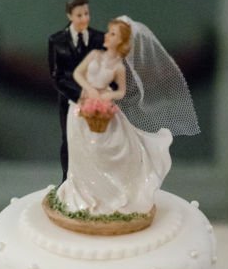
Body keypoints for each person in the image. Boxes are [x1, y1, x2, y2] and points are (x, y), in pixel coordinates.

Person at [55, 17, 200, 218]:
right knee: (82, 149)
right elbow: (78, 75)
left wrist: (106, 95)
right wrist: (89, 90)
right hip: (81, 105)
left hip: (103, 105)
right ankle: (83, 193)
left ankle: (110, 192)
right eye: (109, 32)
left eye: (112, 34)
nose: (106, 35)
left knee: (113, 147)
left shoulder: (118, 67)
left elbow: (121, 92)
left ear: (121, 41)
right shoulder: (95, 55)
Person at [48, 0, 105, 181]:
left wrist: (103, 94)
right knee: (70, 140)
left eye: (86, 13)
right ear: (69, 16)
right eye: (79, 15)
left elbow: (107, 69)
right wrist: (79, 94)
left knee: (97, 141)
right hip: (70, 100)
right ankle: (68, 180)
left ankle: (96, 180)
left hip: (98, 101)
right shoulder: (56, 41)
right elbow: (57, 76)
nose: (84, 18)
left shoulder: (99, 38)